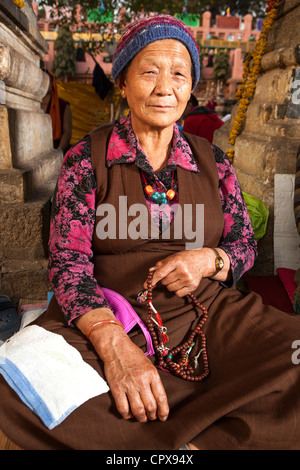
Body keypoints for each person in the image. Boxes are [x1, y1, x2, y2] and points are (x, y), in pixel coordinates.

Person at [1, 15, 300, 451]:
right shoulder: (88, 159)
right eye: (149, 71)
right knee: (19, 385)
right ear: (122, 82)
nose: (165, 87)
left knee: (293, 358)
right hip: (110, 318)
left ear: (191, 85)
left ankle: (178, 445)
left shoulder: (213, 162)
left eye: (179, 73)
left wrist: (209, 261)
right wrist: (114, 347)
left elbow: (243, 245)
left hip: (206, 315)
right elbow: (69, 267)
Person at [41, 70, 72, 154]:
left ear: (53, 84)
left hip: (57, 149)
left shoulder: (63, 106)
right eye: (42, 80)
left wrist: (58, 151)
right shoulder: (33, 103)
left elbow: (67, 132)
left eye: (48, 81)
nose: (45, 84)